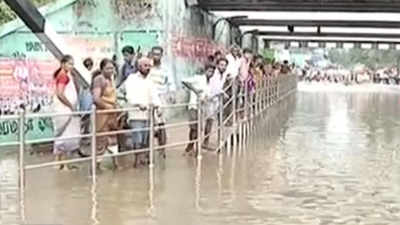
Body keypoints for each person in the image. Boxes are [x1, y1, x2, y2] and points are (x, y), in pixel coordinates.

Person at [118, 57, 162, 167]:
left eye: (149, 66)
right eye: (145, 66)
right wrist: (138, 104)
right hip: (136, 114)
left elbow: (154, 95)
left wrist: (158, 107)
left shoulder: (150, 81)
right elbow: (130, 95)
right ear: (139, 67)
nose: (148, 68)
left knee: (146, 138)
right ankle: (137, 160)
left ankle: (144, 158)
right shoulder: (131, 79)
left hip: (148, 114)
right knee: (137, 137)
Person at [52, 55, 81, 170]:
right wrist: (70, 105)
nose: (71, 66)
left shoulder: (65, 75)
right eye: (69, 64)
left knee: (62, 136)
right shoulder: (63, 76)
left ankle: (61, 163)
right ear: (63, 64)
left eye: (72, 64)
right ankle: (61, 164)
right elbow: (60, 93)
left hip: (64, 109)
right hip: (63, 110)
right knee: (63, 136)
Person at [92, 58, 120, 170]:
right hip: (102, 114)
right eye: (108, 68)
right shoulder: (99, 79)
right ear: (102, 69)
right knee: (101, 140)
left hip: (112, 114)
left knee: (113, 138)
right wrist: (106, 106)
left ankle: (116, 164)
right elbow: (96, 98)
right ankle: (95, 168)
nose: (111, 71)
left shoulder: (111, 80)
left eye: (112, 68)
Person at [182, 64, 216, 155]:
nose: (210, 73)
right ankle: (190, 147)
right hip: (194, 106)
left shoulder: (209, 83)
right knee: (194, 128)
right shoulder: (198, 78)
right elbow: (184, 81)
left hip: (202, 108)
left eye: (212, 72)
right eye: (209, 71)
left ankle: (192, 147)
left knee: (197, 128)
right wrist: (195, 90)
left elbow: (207, 95)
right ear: (205, 71)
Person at [148, 46, 169, 158]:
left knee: (161, 124)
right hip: (148, 98)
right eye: (154, 54)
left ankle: (162, 149)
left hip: (161, 98)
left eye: (158, 54)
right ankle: (148, 151)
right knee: (149, 124)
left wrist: (171, 95)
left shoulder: (166, 69)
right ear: (151, 54)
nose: (156, 56)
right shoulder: (148, 67)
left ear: (161, 55)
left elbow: (170, 82)